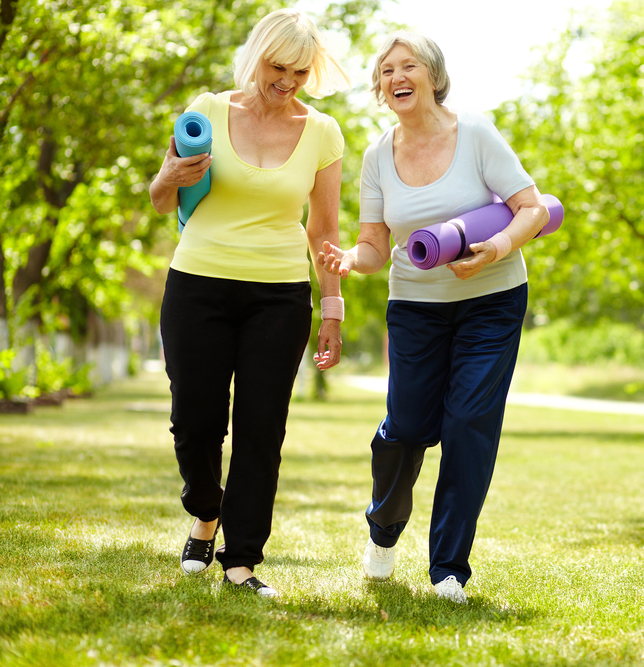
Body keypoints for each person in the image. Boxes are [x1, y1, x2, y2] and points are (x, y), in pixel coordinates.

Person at [319, 31, 550, 604]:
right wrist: (350, 259)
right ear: (380, 87)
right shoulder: (378, 155)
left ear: (432, 75)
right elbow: (374, 245)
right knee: (406, 429)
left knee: (468, 423)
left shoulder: (473, 133)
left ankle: (449, 569)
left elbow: (533, 209)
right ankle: (383, 531)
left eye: (409, 66)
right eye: (386, 70)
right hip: (417, 306)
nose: (396, 76)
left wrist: (494, 251)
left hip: (493, 300)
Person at [149, 9, 350, 597]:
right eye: (278, 66)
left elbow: (325, 231)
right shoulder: (207, 110)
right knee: (195, 420)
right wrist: (169, 174)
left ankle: (241, 558)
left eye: (300, 70)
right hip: (198, 284)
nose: (287, 80)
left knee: (262, 427)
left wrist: (333, 309)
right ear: (257, 54)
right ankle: (205, 513)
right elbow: (163, 201)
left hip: (279, 295)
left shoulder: (322, 131)